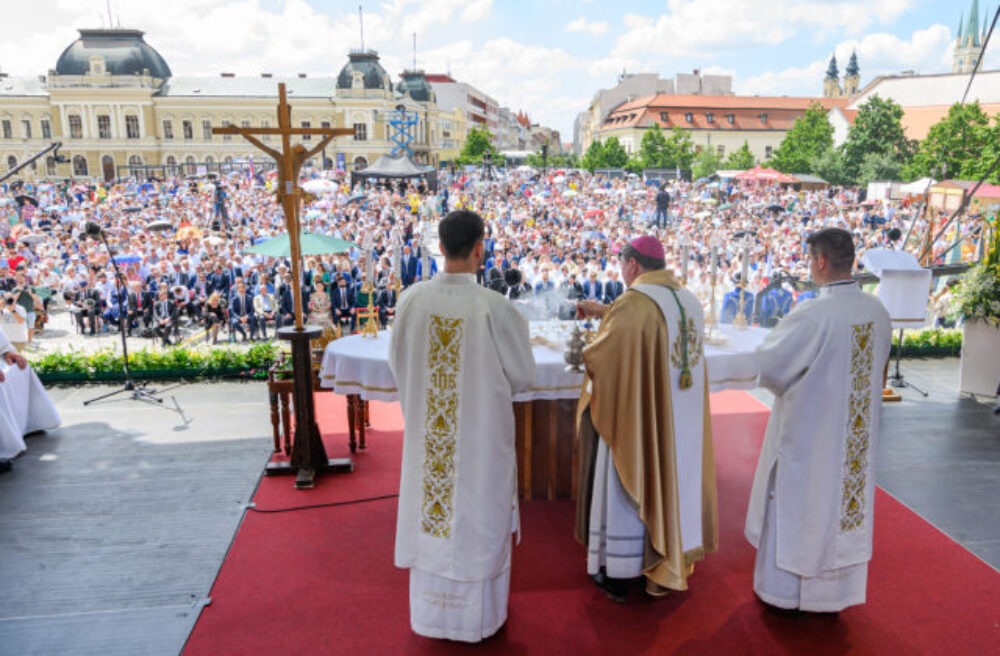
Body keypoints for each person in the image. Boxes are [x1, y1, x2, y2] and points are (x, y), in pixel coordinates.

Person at [389, 209, 535, 643]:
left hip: (430, 442)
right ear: (479, 248)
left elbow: (399, 365)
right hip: (479, 443)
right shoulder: (493, 307)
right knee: (477, 517)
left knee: (433, 515)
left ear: (440, 246)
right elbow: (523, 376)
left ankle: (432, 617)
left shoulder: (411, 299)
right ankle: (478, 622)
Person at [745, 227, 891, 613]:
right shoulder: (876, 310)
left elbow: (771, 367)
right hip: (853, 441)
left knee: (802, 508)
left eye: (810, 259)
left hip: (810, 437)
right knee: (841, 509)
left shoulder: (813, 313)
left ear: (821, 261)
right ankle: (835, 597)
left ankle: (786, 595)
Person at [576, 235, 718, 603]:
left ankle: (622, 571)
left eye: (621, 264)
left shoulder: (634, 301)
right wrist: (605, 310)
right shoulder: (686, 300)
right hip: (680, 422)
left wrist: (583, 352)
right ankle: (671, 556)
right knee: (676, 481)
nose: (621, 271)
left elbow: (607, 355)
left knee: (626, 480)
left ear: (633, 264)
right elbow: (650, 329)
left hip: (639, 420)